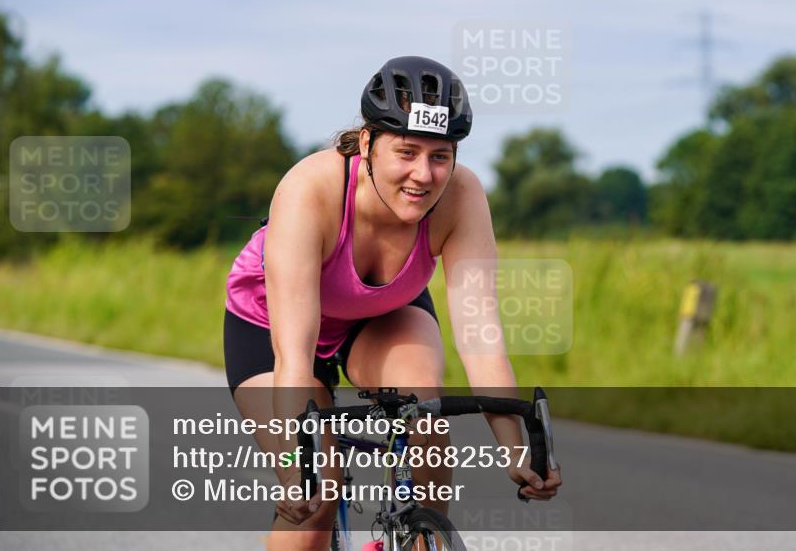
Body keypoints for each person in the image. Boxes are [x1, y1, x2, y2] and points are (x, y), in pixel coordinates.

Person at [222, 56, 562, 550]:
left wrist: (514, 450)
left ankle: (420, 536)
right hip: (273, 322)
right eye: (406, 151)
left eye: (440, 156)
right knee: (319, 491)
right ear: (367, 144)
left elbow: (480, 334)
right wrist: (299, 468)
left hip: (379, 315)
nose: (423, 175)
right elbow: (294, 356)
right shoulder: (309, 189)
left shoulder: (461, 196)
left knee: (423, 408)